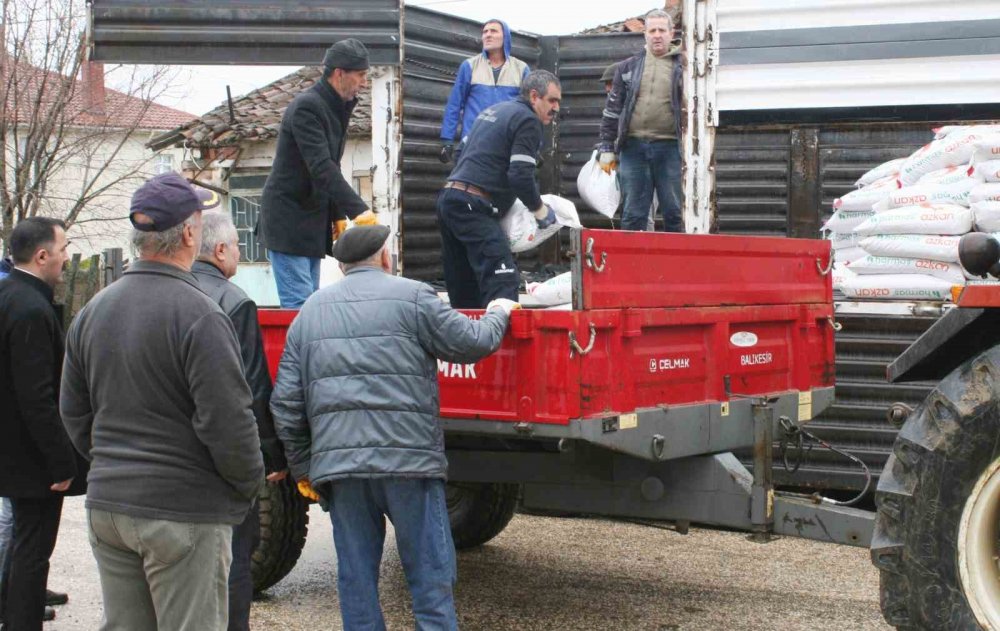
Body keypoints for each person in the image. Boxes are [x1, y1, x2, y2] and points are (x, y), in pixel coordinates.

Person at [271, 225, 517, 630]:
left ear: (342, 266)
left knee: (357, 582)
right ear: (385, 258)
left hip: (343, 473)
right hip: (409, 466)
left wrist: (305, 468)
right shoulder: (414, 296)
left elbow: (285, 403)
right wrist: (499, 311)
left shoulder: (310, 311)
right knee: (430, 579)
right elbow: (471, 343)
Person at [60, 173, 265, 630]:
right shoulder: (202, 315)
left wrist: (111, 460)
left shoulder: (93, 310)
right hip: (183, 512)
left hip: (110, 506)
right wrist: (247, 485)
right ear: (191, 233)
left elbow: (73, 410)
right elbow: (228, 422)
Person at [191, 212, 289, 631]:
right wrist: (270, 457)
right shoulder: (234, 301)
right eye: (236, 247)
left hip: (174, 464)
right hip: (222, 465)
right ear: (219, 250)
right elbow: (251, 390)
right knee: (233, 563)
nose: (238, 254)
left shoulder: (167, 292)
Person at [0, 217, 79, 631]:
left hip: (10, 449)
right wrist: (61, 462)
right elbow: (37, 396)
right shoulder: (31, 308)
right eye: (63, 249)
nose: (66, 258)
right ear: (43, 254)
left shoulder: (7, 294)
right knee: (33, 552)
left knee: (19, 544)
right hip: (31, 458)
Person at [259, 38, 378, 308]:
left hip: (310, 220)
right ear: (339, 73)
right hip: (288, 220)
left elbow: (330, 165)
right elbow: (321, 166)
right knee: (300, 309)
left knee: (310, 306)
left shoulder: (334, 107)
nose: (364, 82)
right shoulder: (308, 107)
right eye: (360, 75)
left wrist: (337, 214)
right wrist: (358, 210)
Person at [436, 69, 562, 308]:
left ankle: (467, 340)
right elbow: (520, 176)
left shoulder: (493, 111)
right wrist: (540, 211)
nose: (556, 108)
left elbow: (462, 152)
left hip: (449, 199)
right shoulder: (528, 120)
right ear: (534, 96)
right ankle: (504, 344)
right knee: (502, 279)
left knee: (463, 284)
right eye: (552, 100)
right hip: (473, 205)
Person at [599, 9, 684, 232]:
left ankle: (678, 265)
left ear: (671, 33)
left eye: (662, 30)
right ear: (644, 34)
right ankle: (632, 265)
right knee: (633, 214)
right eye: (652, 30)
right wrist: (607, 147)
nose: (657, 35)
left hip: (672, 148)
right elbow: (612, 109)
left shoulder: (684, 67)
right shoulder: (628, 67)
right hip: (633, 148)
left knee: (675, 212)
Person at [439, 19, 529, 163]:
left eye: (493, 31)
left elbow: (529, 109)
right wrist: (447, 141)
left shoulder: (521, 69)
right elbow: (455, 104)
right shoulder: (469, 66)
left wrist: (532, 146)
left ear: (505, 36)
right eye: (485, 32)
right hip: (473, 142)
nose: (487, 35)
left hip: (506, 144)